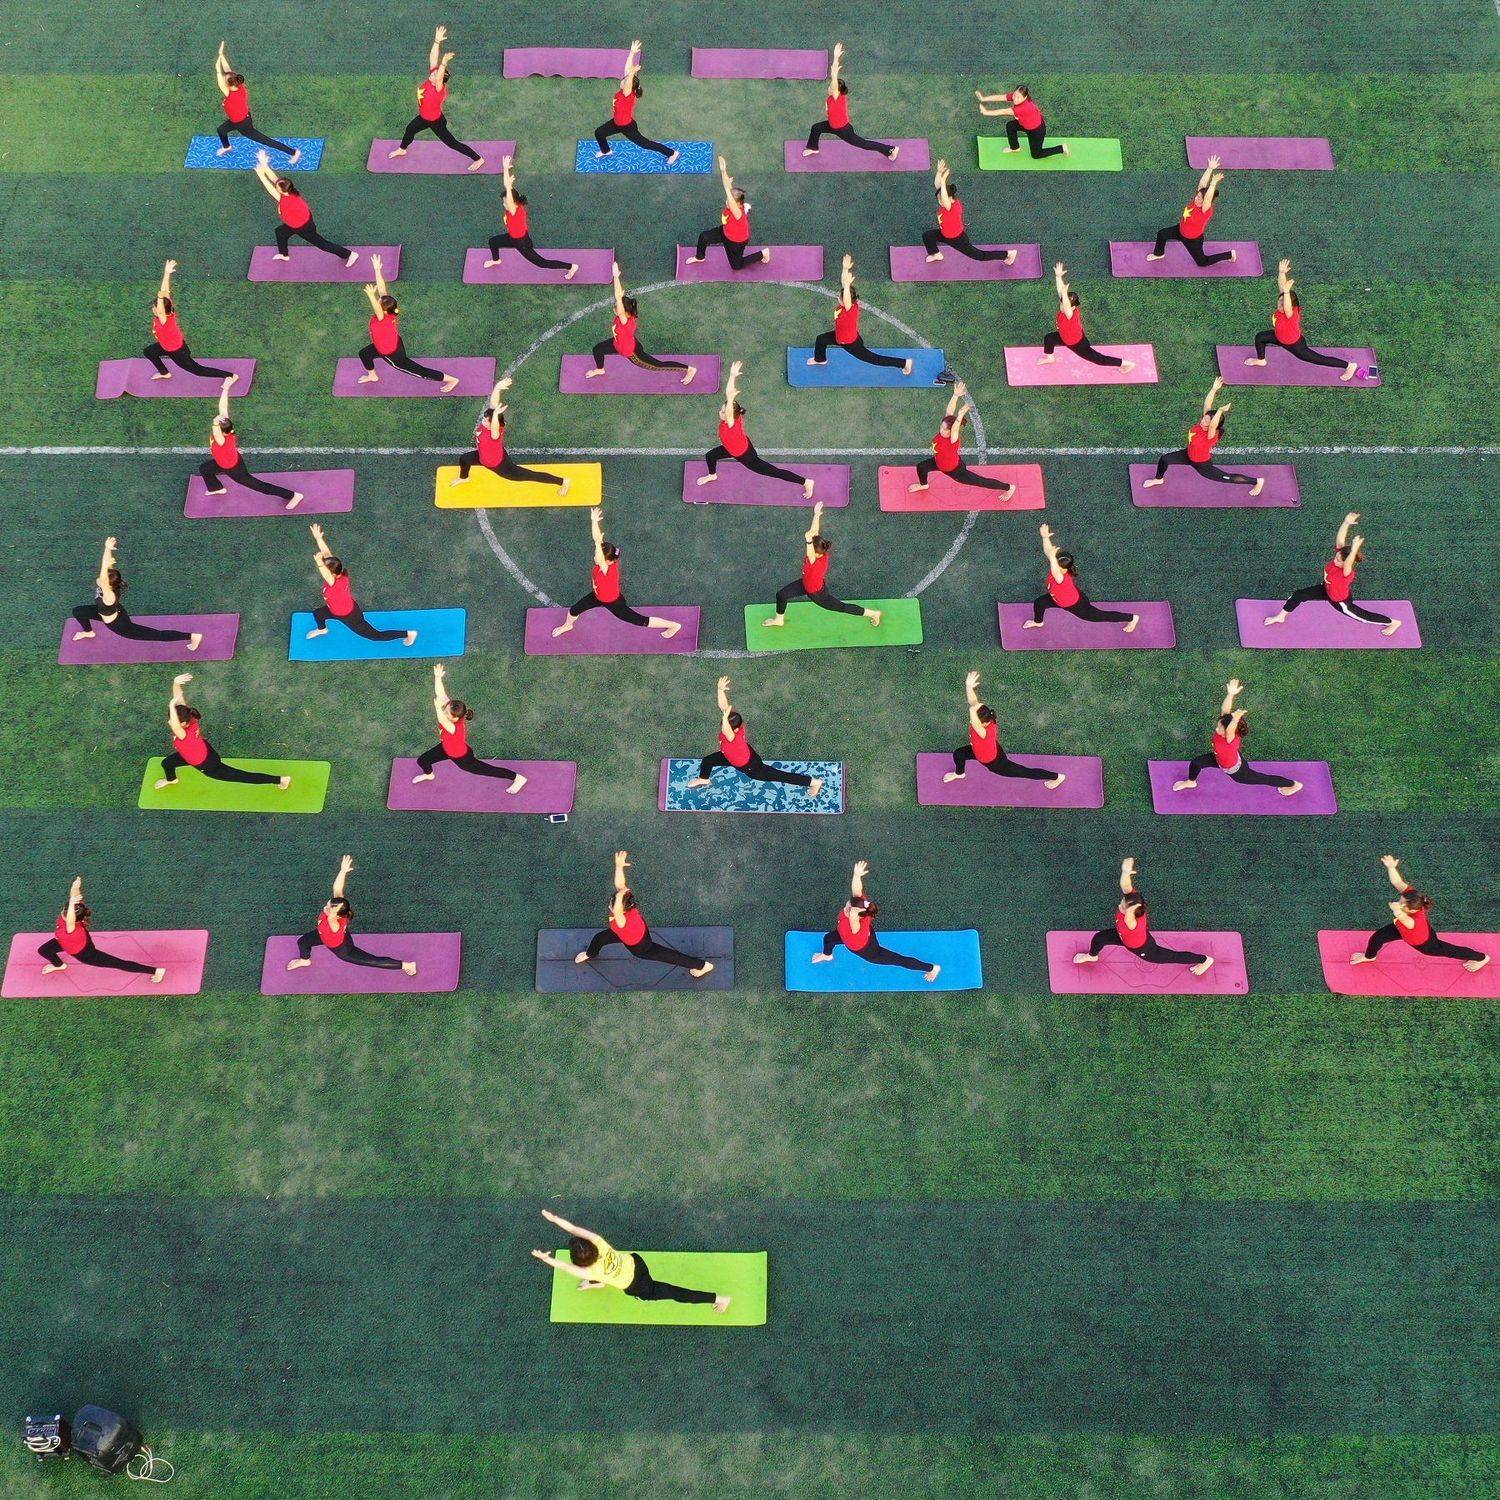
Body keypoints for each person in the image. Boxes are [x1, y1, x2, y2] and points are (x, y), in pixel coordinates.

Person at [531, 1208, 730, 1313]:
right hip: (636, 1262)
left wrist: (544, 1258)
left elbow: (563, 1266)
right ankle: (599, 1283)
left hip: (638, 1285)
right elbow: (573, 1229)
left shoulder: (587, 1271)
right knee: (604, 1275)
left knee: (676, 1293)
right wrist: (554, 1219)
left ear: (579, 1261)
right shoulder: (597, 1241)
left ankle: (720, 1299)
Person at [572, 850, 715, 978]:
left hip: (639, 945)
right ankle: (590, 953)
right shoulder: (627, 902)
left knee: (666, 956)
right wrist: (619, 867)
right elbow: (620, 885)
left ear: (620, 910)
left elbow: (617, 911)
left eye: (613, 904)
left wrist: (619, 896)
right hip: (632, 930)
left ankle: (703, 966)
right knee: (599, 938)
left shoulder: (621, 920)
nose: (610, 905)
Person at [551, 508, 682, 640]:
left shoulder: (606, 568)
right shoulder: (606, 560)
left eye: (598, 556)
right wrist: (594, 521)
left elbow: (597, 544)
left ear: (607, 561)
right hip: (597, 596)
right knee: (574, 610)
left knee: (640, 620)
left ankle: (674, 625)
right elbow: (598, 541)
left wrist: (597, 542)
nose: (595, 557)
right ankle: (567, 625)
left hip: (613, 602)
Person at [1262, 512, 1400, 635]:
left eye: (1339, 560)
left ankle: (1393, 622)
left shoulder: (1347, 573)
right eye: (1336, 557)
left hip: (1339, 600)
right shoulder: (1339, 558)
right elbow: (1340, 541)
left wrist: (1354, 550)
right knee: (1298, 595)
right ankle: (1281, 616)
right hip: (1326, 589)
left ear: (1346, 563)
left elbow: (1348, 563)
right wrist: (1346, 523)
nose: (1335, 560)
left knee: (1364, 618)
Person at [1073, 856, 1215, 975]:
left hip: (1142, 948)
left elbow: (1129, 917)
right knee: (1099, 938)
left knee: (1173, 956)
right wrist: (1125, 873)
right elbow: (1126, 887)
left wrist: (1129, 910)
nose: (1120, 904)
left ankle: (1205, 960)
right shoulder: (1133, 901)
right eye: (1123, 901)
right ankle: (1092, 956)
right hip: (1123, 937)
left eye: (1123, 905)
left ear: (1131, 912)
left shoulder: (1131, 922)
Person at [687, 675, 824, 798]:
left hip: (751, 767)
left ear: (734, 729)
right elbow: (724, 707)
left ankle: (814, 783)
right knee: (708, 761)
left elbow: (725, 727)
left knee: (780, 776)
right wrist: (720, 690)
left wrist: (725, 717)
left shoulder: (732, 737)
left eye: (725, 723)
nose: (722, 725)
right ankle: (704, 779)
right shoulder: (735, 722)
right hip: (733, 756)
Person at [1349, 856, 1491, 973]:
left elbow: (1404, 918)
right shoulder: (1413, 898)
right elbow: (1397, 882)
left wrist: (1397, 909)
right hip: (1404, 930)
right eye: (1401, 899)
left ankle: (1482, 958)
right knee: (1378, 937)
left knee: (1451, 951)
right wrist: (1391, 867)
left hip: (1424, 943)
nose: (1399, 901)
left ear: (1411, 911)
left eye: (1402, 903)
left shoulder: (1412, 920)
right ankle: (1369, 956)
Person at [153, 672, 291, 791]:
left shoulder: (184, 734)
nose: (169, 722)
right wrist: (176, 683)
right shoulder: (189, 716)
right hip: (200, 751)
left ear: (183, 724)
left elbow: (175, 726)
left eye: (172, 720)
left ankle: (281, 780)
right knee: (167, 763)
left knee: (242, 776)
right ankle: (172, 779)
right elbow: (179, 699)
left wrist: (171, 705)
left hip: (207, 764)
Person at [696, 360, 814, 499]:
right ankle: (712, 475)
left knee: (774, 472)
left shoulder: (730, 423)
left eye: (723, 411)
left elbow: (729, 398)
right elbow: (729, 398)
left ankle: (806, 482)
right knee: (710, 456)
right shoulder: (734, 416)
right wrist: (732, 378)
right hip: (733, 447)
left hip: (745, 455)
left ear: (729, 415)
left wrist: (732, 382)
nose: (720, 412)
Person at [286, 853, 419, 975]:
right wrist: (343, 871)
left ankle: (407, 965)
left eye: (330, 909)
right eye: (329, 904)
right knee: (302, 942)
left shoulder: (333, 923)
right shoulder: (338, 910)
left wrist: (331, 915)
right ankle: (305, 960)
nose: (326, 907)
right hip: (323, 935)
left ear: (337, 916)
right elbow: (337, 888)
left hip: (342, 948)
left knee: (372, 961)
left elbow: (331, 919)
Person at [810, 860, 941, 981]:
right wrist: (857, 875)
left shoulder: (855, 925)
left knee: (898, 960)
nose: (845, 909)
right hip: (849, 935)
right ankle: (827, 955)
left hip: (867, 949)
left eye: (849, 910)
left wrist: (852, 914)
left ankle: (932, 968)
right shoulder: (860, 905)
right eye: (847, 904)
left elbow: (854, 920)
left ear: (856, 916)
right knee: (828, 938)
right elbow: (856, 891)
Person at [1170, 679, 1303, 796]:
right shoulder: (1225, 724)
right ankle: (1191, 782)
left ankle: (1294, 785)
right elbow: (1225, 711)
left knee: (1264, 779)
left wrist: (1235, 719)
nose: (1217, 728)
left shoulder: (1229, 738)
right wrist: (1230, 695)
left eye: (1220, 728)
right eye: (1218, 724)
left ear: (1228, 730)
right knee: (1196, 763)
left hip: (1236, 770)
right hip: (1219, 759)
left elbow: (1230, 729)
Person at [763, 501, 882, 631]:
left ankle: (874, 614)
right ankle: (779, 620)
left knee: (842, 607)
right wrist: (816, 515)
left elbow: (810, 547)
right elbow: (815, 532)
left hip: (817, 594)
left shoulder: (814, 560)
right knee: (781, 595)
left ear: (815, 552)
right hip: (805, 584)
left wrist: (808, 540)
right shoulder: (820, 551)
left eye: (810, 548)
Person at [71, 536, 202, 651]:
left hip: (118, 624)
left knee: (157, 635)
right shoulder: (112, 580)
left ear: (107, 584)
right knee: (78, 611)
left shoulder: (109, 595)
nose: (99, 578)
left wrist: (106, 548)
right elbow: (106, 567)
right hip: (106, 611)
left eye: (102, 578)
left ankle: (192, 636)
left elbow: (104, 571)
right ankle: (89, 632)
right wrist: (109, 550)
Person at [411, 663, 528, 792]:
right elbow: (441, 694)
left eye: (446, 712)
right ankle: (429, 774)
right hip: (445, 748)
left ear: (455, 718)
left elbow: (442, 720)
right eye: (445, 708)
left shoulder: (454, 727)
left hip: (461, 757)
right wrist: (438, 678)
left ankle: (518, 778)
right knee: (422, 760)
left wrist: (438, 708)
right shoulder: (452, 711)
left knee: (488, 770)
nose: (444, 710)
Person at [1141, 378, 1264, 495]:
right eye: (1204, 418)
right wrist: (1214, 389)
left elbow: (1213, 425)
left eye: (1206, 421)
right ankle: (1158, 479)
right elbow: (1207, 404)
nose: (1202, 421)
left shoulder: (1211, 435)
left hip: (1202, 464)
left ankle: (1257, 481)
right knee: (1165, 459)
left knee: (1227, 477)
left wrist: (1220, 411)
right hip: (1188, 455)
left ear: (1212, 425)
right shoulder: (1202, 425)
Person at [944, 670, 1065, 789]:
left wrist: (972, 709)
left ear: (985, 723)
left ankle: (1058, 777)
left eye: (973, 719)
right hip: (979, 750)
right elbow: (973, 703)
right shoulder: (985, 717)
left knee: (1025, 772)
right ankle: (960, 774)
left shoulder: (985, 732)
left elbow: (974, 718)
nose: (971, 721)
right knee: (958, 754)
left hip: (994, 762)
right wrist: (968, 687)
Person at [387, 24, 484, 170]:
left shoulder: (439, 89)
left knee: (452, 144)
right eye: (434, 72)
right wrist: (437, 41)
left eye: (436, 74)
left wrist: (444, 62)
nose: (432, 73)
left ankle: (478, 159)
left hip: (435, 122)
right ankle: (402, 149)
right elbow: (433, 58)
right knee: (410, 129)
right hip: (424, 118)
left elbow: (439, 76)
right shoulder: (433, 77)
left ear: (439, 79)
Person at [449, 376, 570, 492]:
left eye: (486, 420)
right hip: (483, 456)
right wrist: (497, 388)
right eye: (484, 419)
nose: (483, 421)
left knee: (529, 475)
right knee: (464, 459)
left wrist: (495, 416)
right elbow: (493, 405)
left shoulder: (494, 434)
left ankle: (563, 481)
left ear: (493, 423)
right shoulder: (488, 424)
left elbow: (495, 427)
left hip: (499, 464)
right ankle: (464, 478)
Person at [1245, 258, 1359, 381]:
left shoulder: (1291, 314)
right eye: (1279, 301)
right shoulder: (1282, 308)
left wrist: (1286, 293)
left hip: (1295, 345)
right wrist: (1281, 273)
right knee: (1260, 337)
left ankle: (1349, 366)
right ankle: (1261, 360)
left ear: (1290, 305)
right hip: (1279, 337)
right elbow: (1282, 288)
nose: (1280, 305)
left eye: (1283, 303)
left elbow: (1286, 302)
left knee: (1320, 359)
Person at [198, 376, 303, 508]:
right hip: (225, 461)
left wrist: (215, 422)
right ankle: (216, 488)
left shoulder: (221, 440)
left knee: (260, 487)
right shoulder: (227, 428)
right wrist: (226, 389)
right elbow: (223, 407)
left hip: (233, 468)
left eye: (217, 426)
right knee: (204, 469)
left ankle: (293, 495)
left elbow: (216, 431)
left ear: (221, 431)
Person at [358, 255, 459, 390]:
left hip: (390, 352)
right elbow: (382, 290)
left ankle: (451, 380)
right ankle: (372, 375)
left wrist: (371, 295)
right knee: (364, 353)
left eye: (379, 302)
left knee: (419, 371)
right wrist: (377, 270)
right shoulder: (391, 310)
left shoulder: (382, 318)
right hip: (389, 342)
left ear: (383, 311)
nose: (378, 300)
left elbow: (377, 307)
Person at [38, 876, 166, 983]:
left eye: (65, 914)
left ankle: (156, 971)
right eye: (63, 911)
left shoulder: (71, 928)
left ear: (73, 919)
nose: (62, 913)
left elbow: (70, 919)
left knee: (118, 963)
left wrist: (72, 901)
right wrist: (75, 887)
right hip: (64, 942)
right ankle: (60, 965)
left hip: (84, 953)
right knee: (43, 950)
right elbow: (74, 900)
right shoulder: (76, 912)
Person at [306, 523, 417, 646]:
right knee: (318, 613)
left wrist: (319, 562)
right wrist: (319, 539)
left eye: (326, 569)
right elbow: (327, 554)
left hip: (349, 616)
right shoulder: (339, 571)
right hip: (336, 609)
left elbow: (325, 572)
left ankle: (408, 634)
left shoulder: (335, 584)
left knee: (376, 636)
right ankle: (322, 629)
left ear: (331, 574)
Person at [587, 262, 697, 384]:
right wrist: (618, 287)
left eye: (617, 307)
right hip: (619, 343)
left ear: (624, 312)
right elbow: (619, 296)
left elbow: (618, 297)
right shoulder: (626, 315)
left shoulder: (625, 322)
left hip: (632, 352)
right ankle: (600, 369)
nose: (614, 308)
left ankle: (689, 369)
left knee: (658, 366)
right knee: (597, 349)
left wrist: (616, 277)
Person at [807, 254, 913, 375]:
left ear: (845, 300)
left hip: (850, 343)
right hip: (841, 336)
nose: (838, 297)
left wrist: (847, 285)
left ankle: (904, 363)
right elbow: (844, 287)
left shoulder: (848, 309)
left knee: (875, 359)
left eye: (840, 296)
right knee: (821, 339)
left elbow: (846, 293)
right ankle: (820, 359)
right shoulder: (848, 305)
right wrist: (845, 269)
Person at [1024, 524, 1139, 634]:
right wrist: (1045, 538)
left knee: (1101, 616)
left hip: (1075, 605)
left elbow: (1054, 567)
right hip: (1059, 598)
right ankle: (1038, 622)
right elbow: (1049, 553)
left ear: (1064, 569)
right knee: (1039, 602)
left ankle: (1132, 618)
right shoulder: (1058, 569)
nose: (1052, 564)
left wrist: (1052, 557)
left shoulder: (1062, 578)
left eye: (1054, 563)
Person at [908, 382, 1015, 497]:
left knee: (981, 481)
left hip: (955, 471)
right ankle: (924, 485)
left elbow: (955, 429)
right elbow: (949, 412)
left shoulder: (953, 440)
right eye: (941, 427)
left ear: (951, 431)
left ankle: (1009, 487)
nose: (941, 430)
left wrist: (960, 416)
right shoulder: (944, 431)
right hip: (938, 462)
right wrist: (955, 395)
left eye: (944, 429)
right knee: (921, 467)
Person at [253, 150, 356, 266]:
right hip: (297, 221)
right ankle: (284, 254)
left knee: (322, 244)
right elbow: (274, 178)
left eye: (277, 186)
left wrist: (260, 174)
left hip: (302, 227)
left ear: (282, 190)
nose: (275, 184)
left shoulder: (287, 200)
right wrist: (264, 165)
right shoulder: (290, 190)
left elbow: (270, 189)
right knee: (280, 232)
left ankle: (349, 254)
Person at [484, 154, 578, 277]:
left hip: (521, 243)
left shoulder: (514, 210)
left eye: (505, 202)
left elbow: (508, 189)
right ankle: (496, 260)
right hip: (513, 238)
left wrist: (505, 169)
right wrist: (509, 183)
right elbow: (509, 189)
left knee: (542, 263)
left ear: (512, 203)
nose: (504, 204)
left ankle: (571, 267)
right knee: (493, 241)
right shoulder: (516, 202)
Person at [142, 260, 236, 383]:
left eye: (154, 306)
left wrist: (159, 296)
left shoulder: (164, 320)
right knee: (149, 351)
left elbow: (161, 307)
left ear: (160, 310)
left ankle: (230, 376)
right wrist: (167, 273)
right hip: (166, 345)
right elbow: (166, 292)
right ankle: (164, 373)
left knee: (198, 371)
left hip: (177, 351)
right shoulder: (169, 308)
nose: (153, 308)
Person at [802, 42, 897, 160]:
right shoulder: (832, 97)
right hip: (833, 125)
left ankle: (890, 150)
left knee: (864, 144)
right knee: (816, 128)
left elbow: (833, 75)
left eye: (831, 87)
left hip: (842, 129)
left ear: (836, 90)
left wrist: (836, 58)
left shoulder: (837, 96)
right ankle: (813, 148)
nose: (829, 88)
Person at [212, 39, 300, 161]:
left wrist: (219, 60)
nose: (223, 78)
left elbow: (219, 72)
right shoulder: (240, 85)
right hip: (239, 119)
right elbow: (227, 70)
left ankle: (294, 152)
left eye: (224, 79)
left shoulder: (229, 93)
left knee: (266, 141)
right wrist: (221, 55)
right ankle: (227, 147)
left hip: (243, 125)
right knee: (221, 130)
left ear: (229, 85)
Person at [593, 41, 679, 163]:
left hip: (627, 127)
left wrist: (632, 73)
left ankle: (672, 153)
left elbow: (629, 77)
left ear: (628, 86)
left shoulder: (627, 94)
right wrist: (632, 53)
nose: (622, 81)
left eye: (625, 81)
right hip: (616, 122)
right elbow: (627, 71)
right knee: (599, 133)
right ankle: (606, 151)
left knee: (646, 144)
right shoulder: (625, 91)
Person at [1038, 263, 1134, 371]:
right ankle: (1050, 358)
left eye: (1064, 305)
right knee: (1049, 338)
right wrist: (1058, 277)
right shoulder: (1067, 308)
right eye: (1061, 304)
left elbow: (1066, 304)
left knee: (1099, 359)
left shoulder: (1070, 314)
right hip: (1064, 336)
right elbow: (1060, 292)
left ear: (1072, 307)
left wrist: (1064, 294)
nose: (1061, 307)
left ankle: (1127, 364)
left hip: (1076, 343)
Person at [1147, 155, 1236, 268]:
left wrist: (1213, 183)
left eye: (1199, 198)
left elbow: (1208, 198)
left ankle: (1230, 254)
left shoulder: (1205, 210)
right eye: (1197, 196)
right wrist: (1210, 169)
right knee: (1162, 234)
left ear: (1205, 201)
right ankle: (1159, 254)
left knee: (1202, 262)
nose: (1196, 198)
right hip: (1180, 230)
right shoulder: (1196, 201)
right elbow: (1202, 184)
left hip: (1192, 240)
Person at [921, 159, 1014, 264]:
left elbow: (943, 195)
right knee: (927, 236)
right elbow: (938, 186)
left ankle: (1008, 254)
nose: (939, 202)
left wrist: (943, 181)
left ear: (949, 198)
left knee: (980, 256)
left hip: (957, 239)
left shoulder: (952, 207)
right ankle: (936, 254)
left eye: (941, 199)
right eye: (939, 199)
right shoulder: (948, 201)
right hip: (945, 234)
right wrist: (939, 172)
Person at [686, 157, 771, 271]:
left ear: (737, 204)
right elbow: (729, 190)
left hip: (736, 241)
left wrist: (723, 172)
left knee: (736, 266)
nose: (727, 202)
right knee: (704, 237)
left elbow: (727, 190)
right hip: (725, 231)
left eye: (730, 201)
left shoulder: (738, 213)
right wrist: (724, 172)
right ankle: (700, 257)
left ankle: (763, 253)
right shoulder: (735, 202)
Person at [975, 84, 1068, 160]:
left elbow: (1004, 111)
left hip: (1036, 131)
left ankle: (1061, 148)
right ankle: (1015, 148)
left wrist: (986, 112)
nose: (1015, 99)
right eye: (1014, 96)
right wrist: (983, 98)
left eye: (1018, 97)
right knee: (1010, 126)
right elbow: (1001, 97)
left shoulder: (1023, 107)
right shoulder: (1017, 95)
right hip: (1025, 124)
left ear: (1025, 97)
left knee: (1036, 155)